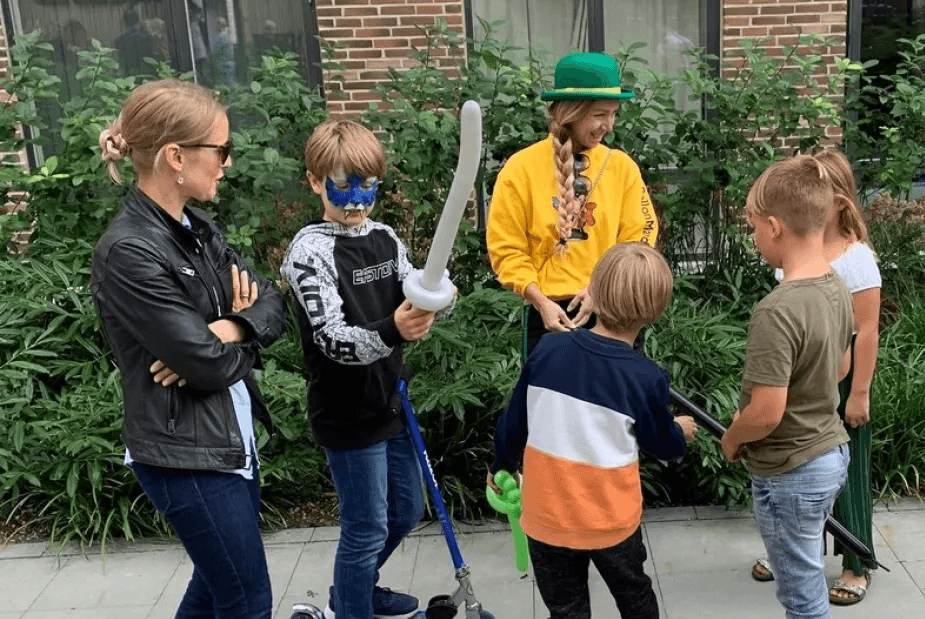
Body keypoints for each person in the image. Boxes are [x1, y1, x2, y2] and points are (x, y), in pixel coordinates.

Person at [92, 79, 286, 619]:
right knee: (246, 599)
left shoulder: (197, 228)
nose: (227, 162)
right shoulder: (129, 251)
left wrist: (232, 328)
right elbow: (206, 366)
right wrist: (219, 341)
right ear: (176, 157)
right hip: (186, 456)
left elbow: (271, 303)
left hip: (227, 438)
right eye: (221, 149)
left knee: (214, 588)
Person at [280, 119, 456, 619]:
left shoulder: (383, 237)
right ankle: (351, 607)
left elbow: (416, 287)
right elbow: (332, 339)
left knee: (405, 510)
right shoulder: (309, 251)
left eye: (368, 185)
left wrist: (439, 295)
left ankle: (353, 589)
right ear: (315, 181)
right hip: (345, 410)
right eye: (342, 185)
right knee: (366, 528)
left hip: (389, 401)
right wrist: (395, 329)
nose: (356, 200)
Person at [489, 242, 698, 619]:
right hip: (610, 522)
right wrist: (677, 432)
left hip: (546, 517)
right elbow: (660, 444)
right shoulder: (646, 377)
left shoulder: (548, 349)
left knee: (566, 609)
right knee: (634, 596)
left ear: (592, 293)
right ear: (655, 312)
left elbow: (513, 422)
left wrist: (500, 465)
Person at [721, 155, 854, 619]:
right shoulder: (836, 286)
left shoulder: (776, 311)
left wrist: (732, 436)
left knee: (802, 597)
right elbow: (840, 367)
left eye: (754, 226)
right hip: (830, 453)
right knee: (806, 573)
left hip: (790, 470)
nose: (754, 236)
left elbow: (766, 413)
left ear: (775, 227)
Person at [751, 150, 882, 606]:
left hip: (841, 380)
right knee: (795, 465)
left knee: (847, 474)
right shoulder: (794, 253)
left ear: (836, 200)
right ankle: (793, 547)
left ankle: (856, 562)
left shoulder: (856, 259)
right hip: (799, 378)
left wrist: (859, 393)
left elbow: (867, 330)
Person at [486, 51, 659, 358]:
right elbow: (506, 249)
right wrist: (541, 302)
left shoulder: (622, 168)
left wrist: (601, 291)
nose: (609, 125)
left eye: (613, 114)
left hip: (615, 311)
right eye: (600, 114)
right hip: (550, 317)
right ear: (571, 112)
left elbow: (640, 236)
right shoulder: (520, 169)